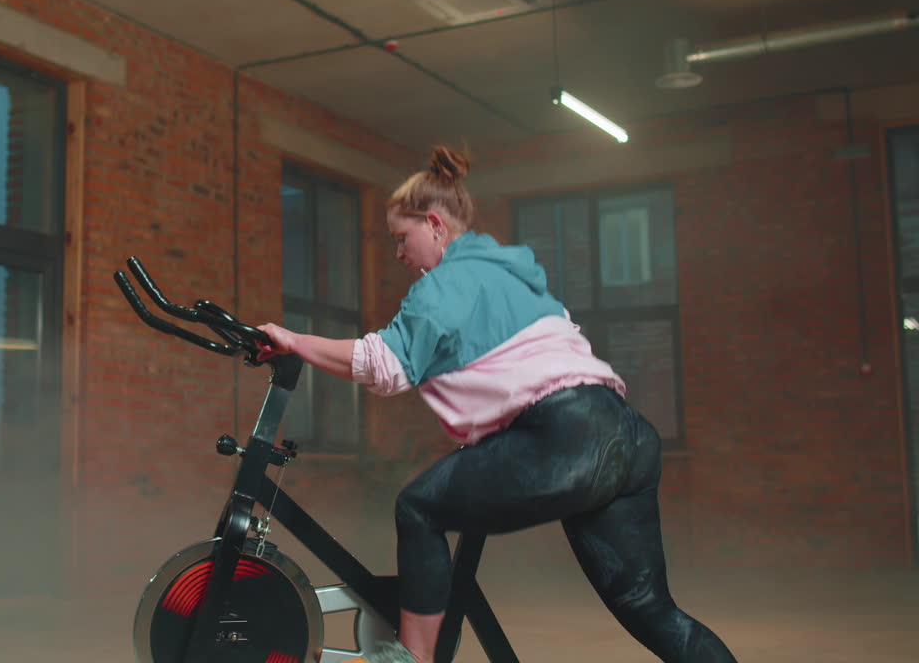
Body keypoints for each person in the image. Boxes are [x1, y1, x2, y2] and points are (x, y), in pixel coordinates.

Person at [256, 146, 736, 663]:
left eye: (402, 239)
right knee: (649, 608)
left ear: (435, 225)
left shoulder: (444, 284)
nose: (399, 254)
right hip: (626, 436)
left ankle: (410, 659)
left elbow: (384, 365)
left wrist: (294, 340)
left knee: (418, 508)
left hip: (566, 436)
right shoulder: (514, 274)